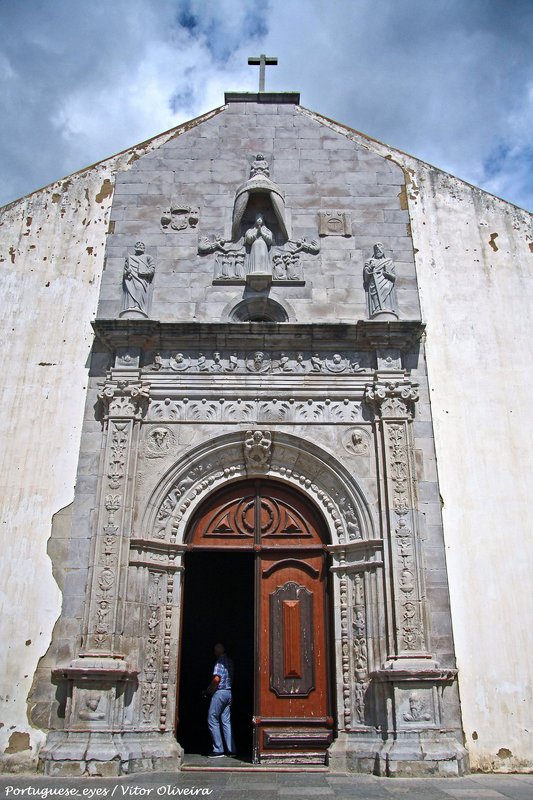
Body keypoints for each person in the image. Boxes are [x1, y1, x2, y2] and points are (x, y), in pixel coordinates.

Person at [203, 643, 235, 758]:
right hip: (229, 692)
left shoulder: (219, 662)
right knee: (226, 721)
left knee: (212, 718)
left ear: (218, 651)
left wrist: (209, 690)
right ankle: (231, 749)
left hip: (220, 692)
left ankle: (218, 749)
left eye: (214, 650)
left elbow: (216, 679)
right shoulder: (230, 661)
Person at [363, 242, 398, 318]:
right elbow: (366, 277)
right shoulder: (369, 261)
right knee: (375, 296)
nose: (378, 252)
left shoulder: (388, 261)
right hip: (374, 282)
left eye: (380, 250)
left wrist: (387, 274)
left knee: (386, 292)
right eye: (376, 250)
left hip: (386, 282)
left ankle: (388, 310)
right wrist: (370, 267)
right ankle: (376, 310)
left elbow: (393, 277)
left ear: (383, 251)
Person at [122, 241, 155, 314]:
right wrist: (127, 272)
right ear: (135, 247)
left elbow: (152, 268)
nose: (140, 246)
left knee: (139, 287)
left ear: (144, 248)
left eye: (142, 245)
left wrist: (145, 273)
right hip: (131, 278)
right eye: (138, 245)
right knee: (130, 290)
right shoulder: (130, 258)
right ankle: (130, 306)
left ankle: (138, 306)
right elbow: (125, 271)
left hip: (142, 278)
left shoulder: (148, 257)